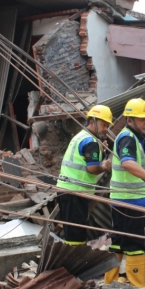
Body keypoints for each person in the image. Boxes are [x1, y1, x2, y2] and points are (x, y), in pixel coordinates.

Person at [104, 98, 145, 287]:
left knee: (118, 242)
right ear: (129, 120)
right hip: (128, 201)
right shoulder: (128, 138)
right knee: (135, 245)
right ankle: (136, 286)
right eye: (141, 119)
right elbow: (128, 163)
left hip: (124, 200)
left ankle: (111, 282)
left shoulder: (130, 137)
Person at [56, 105, 113, 245]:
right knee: (76, 234)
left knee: (72, 231)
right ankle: (75, 261)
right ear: (92, 122)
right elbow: (93, 168)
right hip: (75, 193)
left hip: (67, 190)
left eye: (107, 126)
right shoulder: (91, 142)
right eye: (103, 124)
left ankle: (71, 259)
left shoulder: (81, 137)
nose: (106, 128)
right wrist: (105, 166)